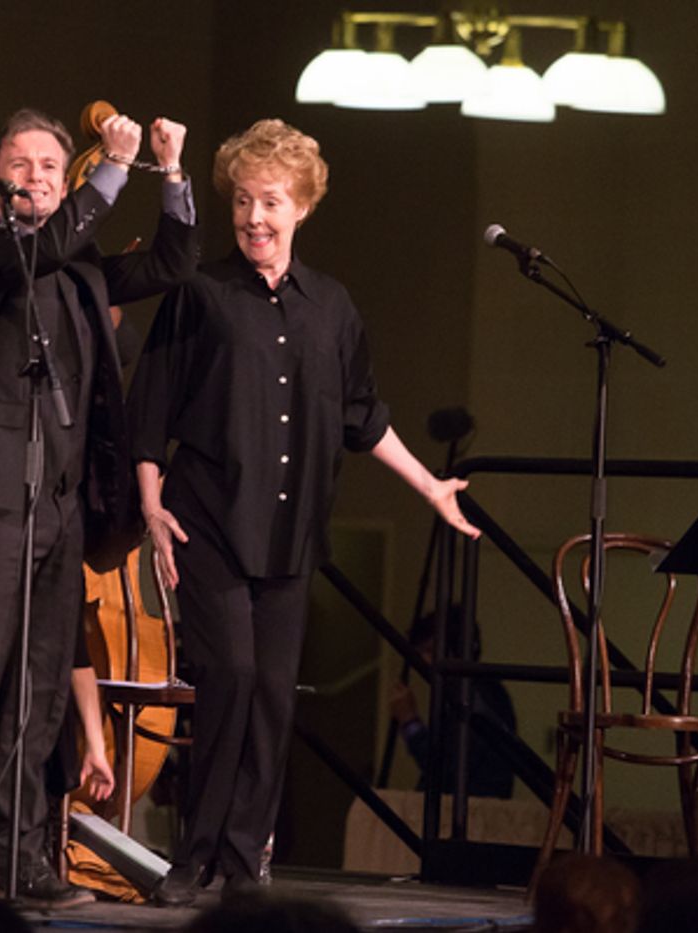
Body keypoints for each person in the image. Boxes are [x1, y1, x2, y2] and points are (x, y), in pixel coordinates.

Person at [128, 119, 480, 906]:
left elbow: (362, 416)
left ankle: (243, 860)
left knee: (273, 694)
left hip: (290, 532)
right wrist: (151, 503)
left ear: (302, 207)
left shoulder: (332, 306)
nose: (254, 217)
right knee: (231, 674)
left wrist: (429, 486)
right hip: (208, 521)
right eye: (243, 201)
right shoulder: (201, 294)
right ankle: (194, 855)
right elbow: (151, 405)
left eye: (271, 201)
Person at [0, 106, 197, 903]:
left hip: (63, 500)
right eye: (22, 164)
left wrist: (172, 172)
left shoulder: (81, 262)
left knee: (38, 690)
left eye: (49, 164)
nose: (36, 176)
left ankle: (21, 853)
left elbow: (173, 262)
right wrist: (112, 169)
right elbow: (44, 244)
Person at [389, 607, 517, 799]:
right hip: (468, 805)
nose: (423, 661)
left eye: (430, 651)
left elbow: (446, 768)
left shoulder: (479, 695)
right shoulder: (465, 694)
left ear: (457, 648)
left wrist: (409, 721)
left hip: (474, 808)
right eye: (421, 652)